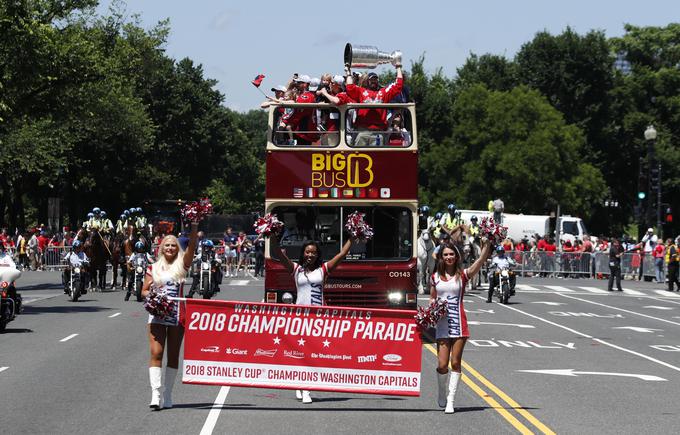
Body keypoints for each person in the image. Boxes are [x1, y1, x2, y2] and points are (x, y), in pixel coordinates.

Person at [270, 234, 356, 404]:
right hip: (299, 318)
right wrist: (272, 235)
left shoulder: (323, 270)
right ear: (303, 254)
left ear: (317, 255)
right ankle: (304, 387)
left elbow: (341, 255)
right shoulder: (296, 270)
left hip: (317, 319)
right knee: (300, 353)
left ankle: (304, 385)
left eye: (313, 253)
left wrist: (352, 238)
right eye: (307, 252)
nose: (310, 255)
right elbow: (279, 254)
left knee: (312, 354)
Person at [141, 221, 198, 410]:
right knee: (156, 353)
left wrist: (195, 226)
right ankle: (155, 394)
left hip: (177, 315)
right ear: (161, 247)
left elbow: (192, 248)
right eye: (167, 244)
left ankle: (168, 394)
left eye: (174, 245)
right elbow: (143, 291)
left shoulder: (183, 264)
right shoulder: (153, 267)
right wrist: (153, 297)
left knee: (173, 356)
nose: (171, 247)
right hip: (157, 314)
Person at [430, 240, 491, 414]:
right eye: (445, 254)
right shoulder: (434, 277)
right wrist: (431, 312)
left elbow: (479, 261)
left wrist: (487, 243)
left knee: (455, 362)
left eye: (451, 254)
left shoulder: (463, 275)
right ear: (441, 257)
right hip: (442, 324)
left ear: (457, 256)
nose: (449, 257)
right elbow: (432, 298)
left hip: (459, 324)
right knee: (442, 365)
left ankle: (451, 400)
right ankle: (442, 391)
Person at [345, 62, 403, 146]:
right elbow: (349, 87)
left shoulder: (383, 93)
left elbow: (398, 86)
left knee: (378, 157)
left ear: (378, 81)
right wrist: (348, 72)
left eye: (375, 79)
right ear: (367, 81)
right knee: (358, 156)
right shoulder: (361, 92)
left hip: (378, 132)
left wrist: (398, 68)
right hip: (362, 131)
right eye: (371, 79)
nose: (373, 81)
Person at [279, 75, 319, 145]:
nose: (297, 85)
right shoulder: (301, 95)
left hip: (303, 133)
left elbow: (296, 109)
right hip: (297, 132)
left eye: (299, 83)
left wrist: (285, 120)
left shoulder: (307, 96)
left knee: (302, 155)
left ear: (305, 84)